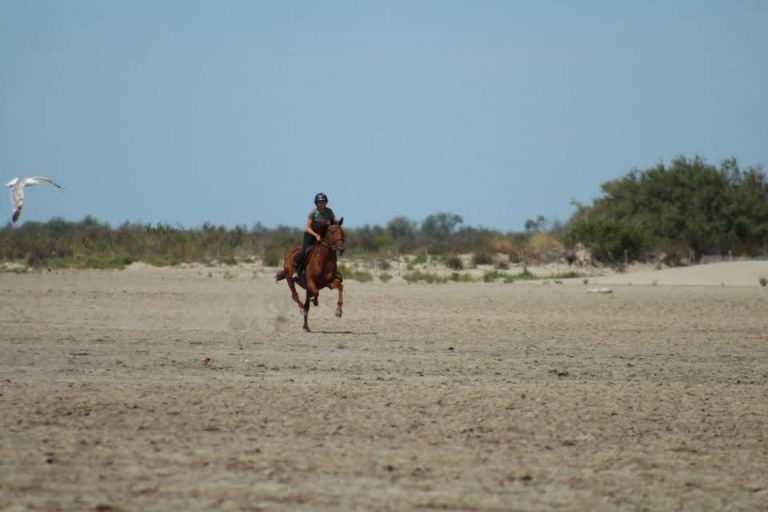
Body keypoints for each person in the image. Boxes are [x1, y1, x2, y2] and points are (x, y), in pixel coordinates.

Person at [293, 192, 336, 278]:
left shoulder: (329, 211)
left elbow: (333, 224)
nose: (321, 203)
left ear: (326, 202)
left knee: (332, 250)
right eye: (319, 201)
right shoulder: (313, 212)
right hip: (311, 234)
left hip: (323, 234)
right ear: (316, 203)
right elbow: (307, 228)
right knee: (306, 251)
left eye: (323, 201)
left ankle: (334, 271)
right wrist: (316, 235)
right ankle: (297, 271)